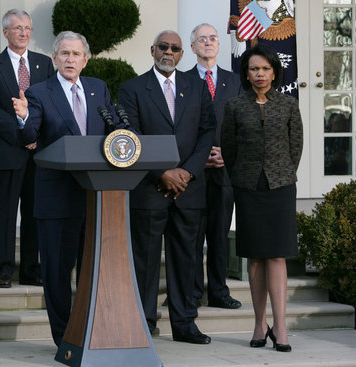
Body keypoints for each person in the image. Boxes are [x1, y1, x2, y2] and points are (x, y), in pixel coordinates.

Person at [12, 31, 115, 346]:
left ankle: (90, 330)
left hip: (96, 196)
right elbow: (30, 134)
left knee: (92, 269)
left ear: (85, 59)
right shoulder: (41, 93)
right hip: (56, 198)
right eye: (64, 54)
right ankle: (64, 337)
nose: (70, 59)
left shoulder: (99, 89)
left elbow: (113, 129)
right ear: (54, 58)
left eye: (76, 54)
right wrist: (23, 117)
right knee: (57, 273)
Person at [117, 30, 217, 344]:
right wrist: (162, 172)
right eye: (163, 47)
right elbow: (130, 136)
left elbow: (207, 132)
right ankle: (144, 324)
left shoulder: (197, 87)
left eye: (174, 48)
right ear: (152, 50)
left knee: (187, 261)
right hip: (150, 189)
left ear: (181, 53)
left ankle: (185, 325)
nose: (169, 52)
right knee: (145, 262)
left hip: (188, 191)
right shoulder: (132, 89)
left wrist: (186, 171)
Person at [221, 44, 303, 352]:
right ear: (246, 73)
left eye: (266, 69)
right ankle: (259, 323)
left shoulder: (289, 104)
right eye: (255, 69)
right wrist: (243, 175)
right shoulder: (235, 107)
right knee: (255, 256)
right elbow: (229, 149)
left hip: (281, 186)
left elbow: (296, 147)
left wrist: (280, 173)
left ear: (274, 72)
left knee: (277, 255)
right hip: (247, 187)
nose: (260, 74)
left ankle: (280, 327)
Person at [0, 9, 54, 288]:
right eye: (17, 28)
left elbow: (49, 105)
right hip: (7, 151)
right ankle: (2, 270)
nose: (23, 33)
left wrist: (34, 133)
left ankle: (31, 270)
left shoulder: (44, 64)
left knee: (36, 213)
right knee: (5, 215)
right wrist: (22, 134)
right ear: (5, 32)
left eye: (27, 28)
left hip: (39, 154)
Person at [184, 23, 242, 310]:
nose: (207, 42)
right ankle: (192, 293)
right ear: (192, 47)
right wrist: (199, 154)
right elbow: (179, 127)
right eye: (201, 39)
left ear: (219, 45)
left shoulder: (236, 82)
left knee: (219, 234)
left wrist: (227, 154)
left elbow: (243, 126)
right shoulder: (181, 82)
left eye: (212, 38)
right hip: (192, 171)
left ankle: (218, 291)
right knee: (192, 234)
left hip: (224, 170)